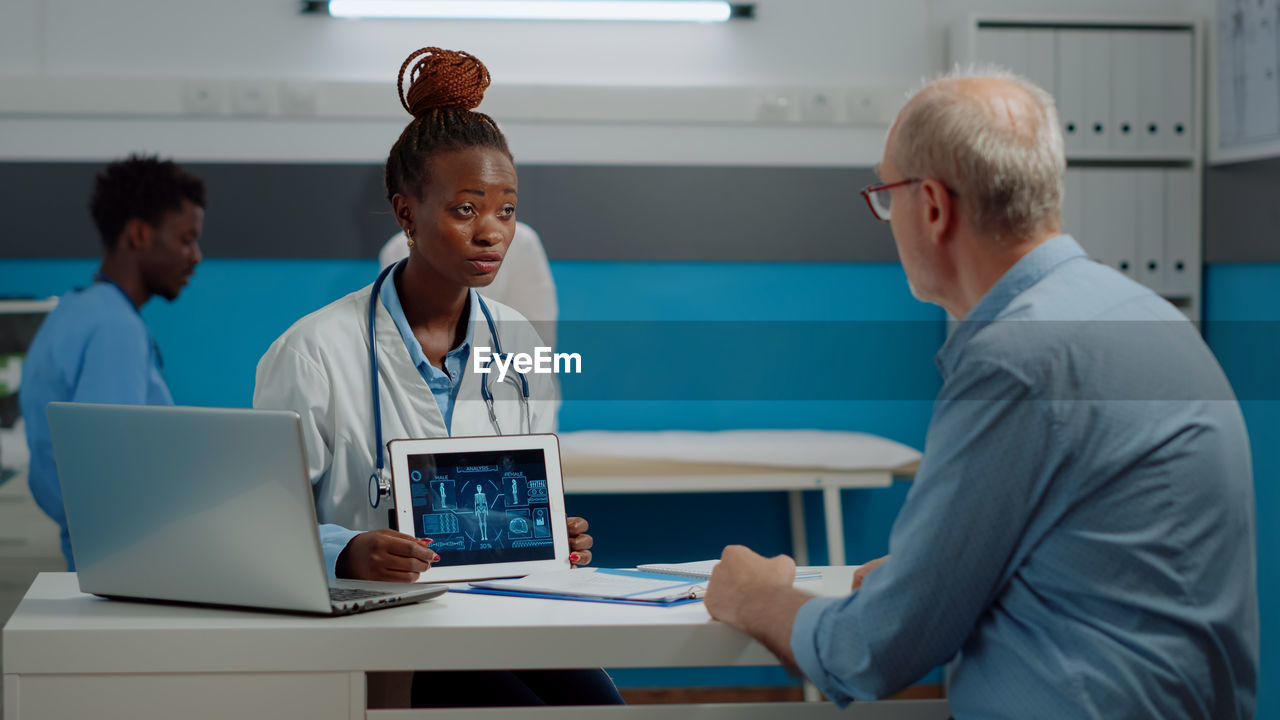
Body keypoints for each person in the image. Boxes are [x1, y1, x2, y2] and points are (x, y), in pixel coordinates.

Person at [704, 68, 1259, 718]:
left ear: (933, 207)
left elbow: (871, 651)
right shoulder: (1148, 316)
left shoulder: (1016, 361)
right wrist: (927, 575)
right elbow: (1109, 559)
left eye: (887, 196)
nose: (887, 218)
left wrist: (755, 595)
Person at [253, 47, 619, 706]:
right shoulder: (311, 352)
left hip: (503, 611)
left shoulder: (518, 344)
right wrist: (346, 551)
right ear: (405, 216)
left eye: (506, 210)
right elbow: (258, 527)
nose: (492, 233)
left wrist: (544, 529)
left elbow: (521, 481)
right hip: (382, 627)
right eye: (465, 209)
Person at [19, 155, 205, 570]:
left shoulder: (75, 310)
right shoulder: (113, 328)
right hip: (128, 560)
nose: (196, 256)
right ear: (139, 233)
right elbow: (110, 477)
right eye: (186, 239)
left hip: (98, 554)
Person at [380, 221, 558, 348]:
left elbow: (536, 338)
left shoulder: (520, 243)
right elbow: (396, 341)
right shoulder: (399, 249)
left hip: (509, 391)